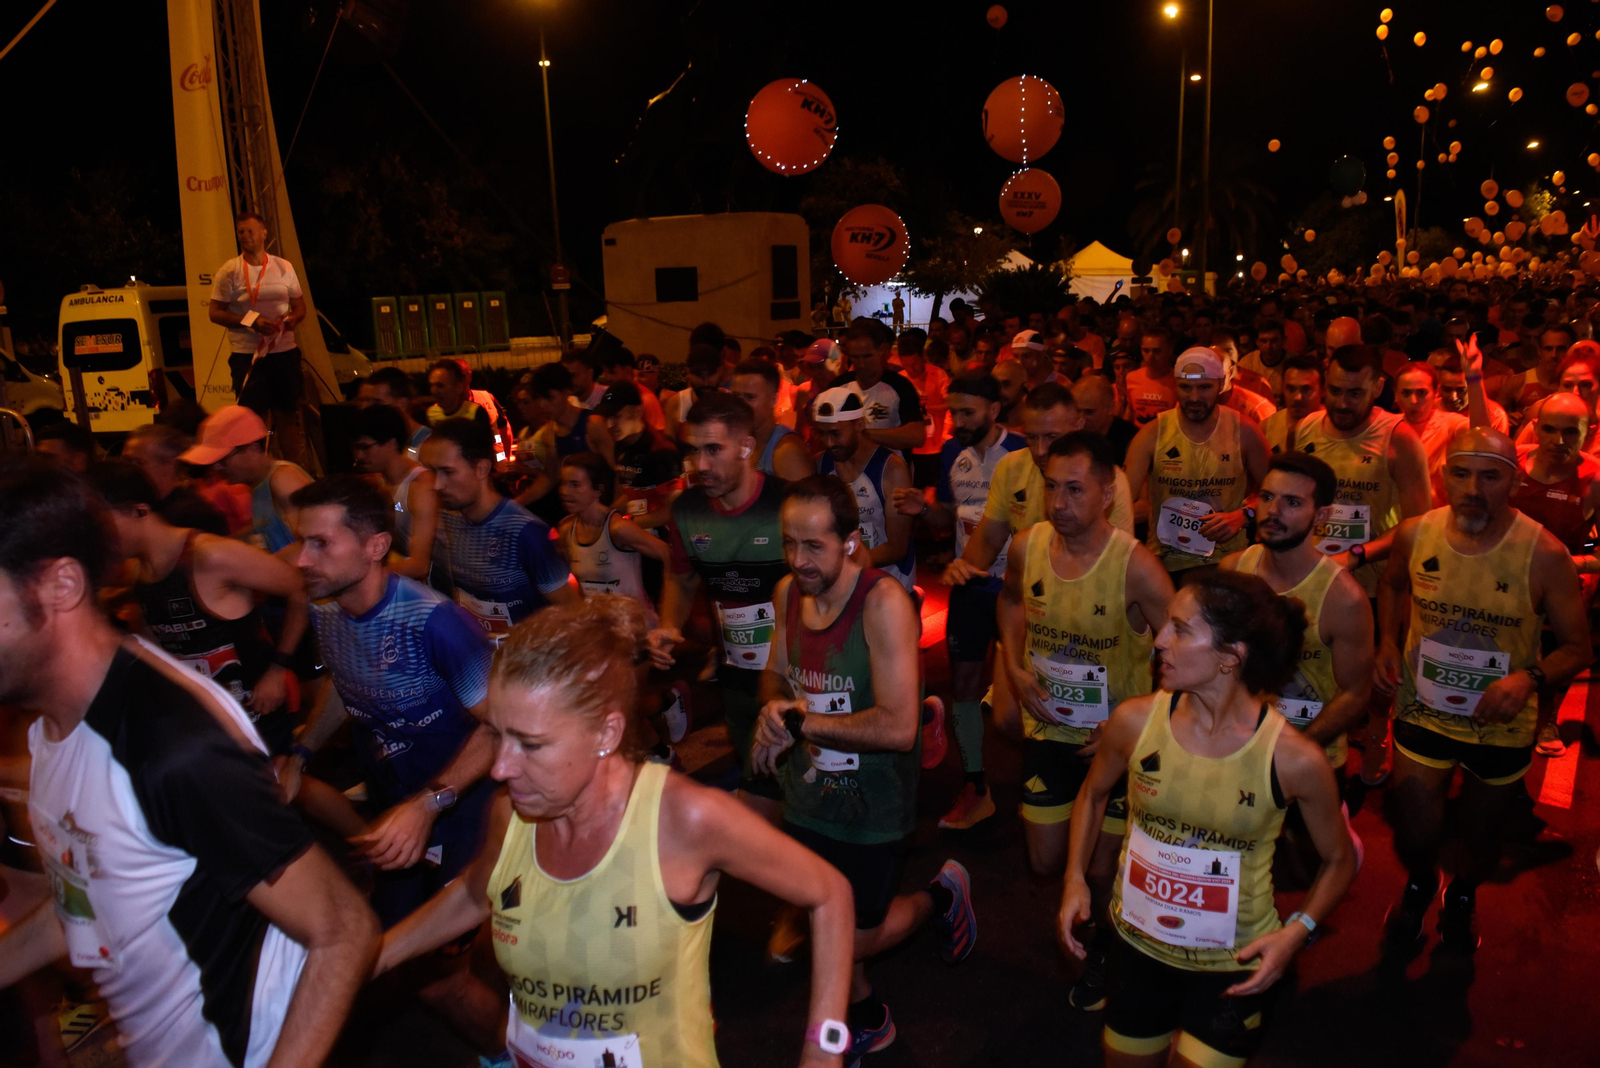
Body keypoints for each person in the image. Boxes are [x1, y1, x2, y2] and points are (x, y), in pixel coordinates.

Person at [0, 459, 377, 1068]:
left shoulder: (173, 745)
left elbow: (341, 930)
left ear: (60, 587)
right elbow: (91, 895)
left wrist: (281, 666)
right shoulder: (51, 727)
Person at [374, 597, 857, 1068]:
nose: (500, 769)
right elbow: (478, 892)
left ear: (606, 734)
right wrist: (372, 957)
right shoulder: (513, 813)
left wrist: (823, 1046)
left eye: (532, 744)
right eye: (499, 735)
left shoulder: (683, 819)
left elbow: (829, 893)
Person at [1059, 571, 1357, 1068]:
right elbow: (1092, 796)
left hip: (1232, 967)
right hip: (1136, 949)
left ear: (1230, 656)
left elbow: (1339, 859)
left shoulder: (1294, 759)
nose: (1159, 640)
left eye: (1180, 629)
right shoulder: (1135, 722)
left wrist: (1296, 931)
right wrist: (1074, 880)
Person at [752, 475, 977, 1065]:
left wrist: (800, 723)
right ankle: (868, 1018)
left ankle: (939, 896)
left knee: (849, 935)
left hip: (872, 805)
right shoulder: (785, 593)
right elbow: (775, 671)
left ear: (850, 541)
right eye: (789, 543)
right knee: (821, 918)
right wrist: (771, 708)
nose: (799, 560)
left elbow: (899, 726)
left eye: (814, 546)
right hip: (806, 792)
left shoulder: (882, 604)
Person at [287, 475, 505, 1043]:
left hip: (464, 818)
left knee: (445, 978)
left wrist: (430, 803)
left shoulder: (435, 622)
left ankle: (521, 1054)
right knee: (389, 944)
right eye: (299, 542)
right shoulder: (328, 609)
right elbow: (343, 682)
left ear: (375, 546)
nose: (300, 559)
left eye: (319, 544)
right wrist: (302, 751)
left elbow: (502, 728)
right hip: (400, 813)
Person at [1375, 427, 1591, 954]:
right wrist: (1387, 640)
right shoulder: (1414, 535)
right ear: (1443, 476)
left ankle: (1464, 894)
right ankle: (1422, 882)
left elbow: (1578, 648)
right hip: (1422, 711)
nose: (1474, 488)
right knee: (1416, 830)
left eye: (1490, 476)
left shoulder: (1543, 553)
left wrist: (1528, 678)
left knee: (1481, 835)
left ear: (1513, 481)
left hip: (1500, 725)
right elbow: (1393, 584)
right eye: (1461, 473)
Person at [1000, 433, 1174, 1010]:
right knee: (1045, 860)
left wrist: (1133, 723)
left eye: (1075, 490)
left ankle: (1104, 949)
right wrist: (1014, 665)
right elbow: (1009, 601)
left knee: (1101, 871)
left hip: (1114, 748)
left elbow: (1184, 652)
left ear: (1107, 492)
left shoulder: (1138, 567)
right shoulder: (1027, 546)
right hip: (1049, 731)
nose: (1059, 503)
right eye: (1051, 487)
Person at [89, 460, 309, 753]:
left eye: (101, 524)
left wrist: (277, 670)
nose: (99, 538)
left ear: (137, 509)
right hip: (205, 716)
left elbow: (299, 588)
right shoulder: (136, 572)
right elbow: (153, 644)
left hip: (257, 709)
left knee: (280, 787)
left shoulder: (211, 555)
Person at [646, 393, 791, 817]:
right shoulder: (688, 509)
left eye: (714, 449)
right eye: (694, 450)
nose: (701, 464)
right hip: (736, 674)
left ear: (746, 447)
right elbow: (682, 577)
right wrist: (669, 625)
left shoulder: (787, 504)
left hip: (793, 675)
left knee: (798, 791)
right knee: (759, 779)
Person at [1294, 344, 1432, 784]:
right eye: (1334, 390)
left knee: (1377, 673)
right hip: (1314, 578)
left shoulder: (1399, 437)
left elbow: (1418, 523)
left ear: (1377, 387)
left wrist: (1358, 555)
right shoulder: (1306, 429)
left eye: (1354, 393)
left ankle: (1376, 740)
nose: (1341, 402)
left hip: (1374, 582)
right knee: (1316, 664)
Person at [893, 373, 1025, 828]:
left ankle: (1045, 777)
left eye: (967, 412)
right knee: (964, 690)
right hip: (969, 588)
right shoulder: (952, 452)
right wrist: (923, 508)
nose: (955, 421)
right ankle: (976, 785)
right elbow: (949, 517)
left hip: (1017, 591)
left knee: (1020, 699)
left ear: (993, 410)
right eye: (953, 411)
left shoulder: (1024, 452)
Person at [1221, 453, 1375, 777]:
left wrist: (1299, 750)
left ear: (1321, 515)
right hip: (1233, 752)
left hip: (1309, 763)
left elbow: (1356, 693)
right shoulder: (1233, 570)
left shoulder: (1343, 598)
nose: (1273, 511)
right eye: (1266, 497)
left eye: (1292, 502)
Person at [425, 416, 579, 641]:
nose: (436, 484)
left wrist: (516, 639)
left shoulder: (526, 533)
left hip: (529, 665)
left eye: (448, 472)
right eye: (431, 472)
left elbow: (574, 612)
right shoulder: (446, 522)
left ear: (481, 469)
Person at [1126, 348, 1270, 582]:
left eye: (1204, 387)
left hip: (1226, 563)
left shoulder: (1244, 431)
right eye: (1185, 387)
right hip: (1166, 563)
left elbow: (1274, 494)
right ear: (1175, 385)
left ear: (1221, 383)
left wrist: (1244, 515)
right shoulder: (1152, 434)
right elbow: (1122, 501)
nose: (1194, 398)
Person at [1509, 391, 1600, 758]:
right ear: (1534, 428)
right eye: (1549, 429)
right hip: (1507, 583)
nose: (1558, 441)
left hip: (1561, 591)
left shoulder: (1594, 479)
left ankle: (1546, 720)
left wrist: (1579, 562)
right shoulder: (1512, 464)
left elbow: (1598, 547)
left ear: (1589, 431)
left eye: (1570, 432)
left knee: (1555, 659)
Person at [208, 211, 309, 464]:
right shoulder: (229, 271)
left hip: (283, 352)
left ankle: (292, 469)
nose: (245, 236)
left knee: (287, 414)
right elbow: (215, 313)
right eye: (240, 232)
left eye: (250, 231)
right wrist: (250, 321)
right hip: (247, 355)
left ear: (264, 234)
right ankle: (257, 471)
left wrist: (293, 319)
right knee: (253, 420)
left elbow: (300, 306)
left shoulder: (283, 267)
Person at [813, 386, 917, 593]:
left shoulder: (892, 469)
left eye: (835, 434)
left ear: (859, 424)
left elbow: (898, 547)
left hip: (889, 584)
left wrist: (843, 562)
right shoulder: (819, 464)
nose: (829, 443)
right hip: (845, 583)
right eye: (822, 434)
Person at [181, 404, 313, 556]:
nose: (216, 468)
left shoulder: (283, 477)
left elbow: (310, 542)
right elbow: (260, 527)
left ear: (253, 449)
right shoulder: (259, 486)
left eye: (223, 460)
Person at [556, 451, 668, 618]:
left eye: (575, 485)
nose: (565, 491)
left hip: (636, 628)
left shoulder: (618, 528)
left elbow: (669, 555)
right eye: (563, 484)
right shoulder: (566, 529)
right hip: (601, 628)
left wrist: (667, 607)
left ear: (598, 490)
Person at [351, 403, 440, 581]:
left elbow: (419, 566)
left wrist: (358, 574)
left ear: (391, 443)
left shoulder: (420, 486)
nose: (358, 456)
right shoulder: (378, 480)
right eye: (356, 448)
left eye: (365, 447)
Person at [830, 322, 928, 453]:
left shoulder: (900, 386)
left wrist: (862, 434)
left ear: (881, 350)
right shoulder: (838, 386)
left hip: (890, 470)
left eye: (867, 356)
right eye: (855, 357)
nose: (862, 364)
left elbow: (917, 436)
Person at [122, 422, 229, 535]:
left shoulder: (195, 516)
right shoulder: (139, 506)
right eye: (126, 461)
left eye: (138, 463)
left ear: (169, 464)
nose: (128, 469)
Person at [1394, 361, 1471, 505]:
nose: (1414, 400)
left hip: (1437, 518)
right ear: (1396, 394)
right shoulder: (1389, 426)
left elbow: (1482, 434)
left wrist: (1475, 380)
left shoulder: (1450, 424)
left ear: (1436, 392)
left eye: (1421, 392)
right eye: (1406, 393)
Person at [731, 358, 814, 481]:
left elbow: (807, 499)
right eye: (737, 397)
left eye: (750, 397)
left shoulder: (787, 452)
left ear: (773, 400)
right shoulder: (738, 441)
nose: (741, 404)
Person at [891, 330, 951, 486]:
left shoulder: (939, 375)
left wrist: (929, 407)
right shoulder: (901, 380)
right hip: (912, 447)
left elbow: (951, 404)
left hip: (937, 444)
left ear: (923, 356)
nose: (912, 369)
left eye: (915, 364)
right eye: (906, 365)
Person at [426, 358, 509, 464]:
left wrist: (503, 457)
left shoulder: (481, 404)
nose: (434, 391)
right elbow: (418, 447)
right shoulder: (430, 413)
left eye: (440, 386)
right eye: (432, 385)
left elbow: (502, 431)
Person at [1497, 323, 1574, 421]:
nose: (1554, 355)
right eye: (1548, 348)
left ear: (1570, 350)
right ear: (1539, 350)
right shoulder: (1518, 382)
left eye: (1561, 349)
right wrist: (1505, 417)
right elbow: (1493, 417)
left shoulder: (1577, 386)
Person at [359, 365, 433, 457]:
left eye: (376, 402)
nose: (365, 407)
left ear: (401, 404)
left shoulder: (428, 444)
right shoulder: (378, 441)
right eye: (362, 400)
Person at [1260, 353, 1325, 454]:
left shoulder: (1333, 427)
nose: (1297, 397)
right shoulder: (1267, 427)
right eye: (1291, 389)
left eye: (1306, 389)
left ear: (1322, 390)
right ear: (1282, 387)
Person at [1072, 375, 1138, 465]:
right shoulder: (1069, 433)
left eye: (1089, 412)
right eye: (1077, 411)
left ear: (1110, 407)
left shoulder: (1131, 439)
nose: (1081, 418)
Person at [664, 344, 726, 442]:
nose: (705, 382)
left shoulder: (730, 404)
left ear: (720, 371)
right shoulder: (676, 403)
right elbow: (668, 447)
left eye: (710, 374)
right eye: (699, 375)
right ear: (688, 372)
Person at [1123, 326, 1177, 425]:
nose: (1150, 357)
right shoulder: (1132, 377)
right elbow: (1130, 410)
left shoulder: (1178, 381)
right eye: (1146, 351)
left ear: (1169, 350)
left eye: (1157, 351)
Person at [1240, 317, 1290, 405]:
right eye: (1263, 341)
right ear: (1257, 342)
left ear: (1284, 340)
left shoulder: (1293, 363)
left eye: (1274, 341)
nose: (1268, 346)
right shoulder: (1246, 363)